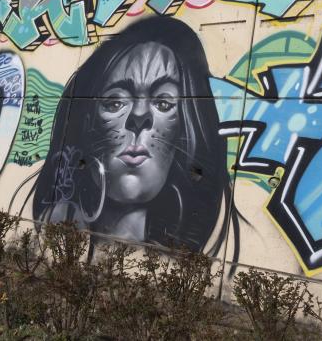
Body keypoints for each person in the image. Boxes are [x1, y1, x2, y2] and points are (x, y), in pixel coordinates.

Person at [12, 16, 239, 257]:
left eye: (163, 102)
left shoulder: (178, 261)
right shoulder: (57, 221)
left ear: (186, 130)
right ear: (88, 122)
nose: (139, 116)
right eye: (115, 102)